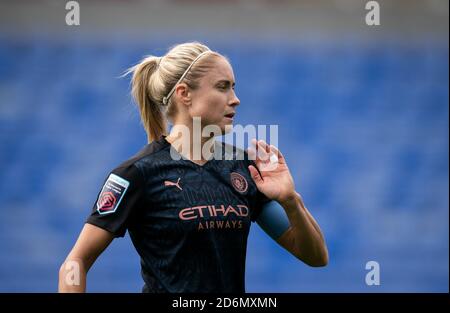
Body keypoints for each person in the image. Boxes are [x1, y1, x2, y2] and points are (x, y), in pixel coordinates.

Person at [58, 42, 328, 293]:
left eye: (233, 87)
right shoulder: (137, 174)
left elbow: (316, 257)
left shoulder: (243, 168)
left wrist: (291, 201)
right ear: (184, 94)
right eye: (223, 87)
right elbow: (76, 262)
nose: (235, 99)